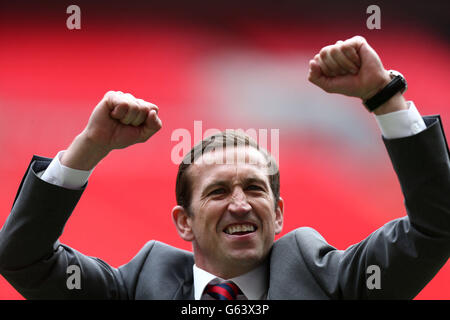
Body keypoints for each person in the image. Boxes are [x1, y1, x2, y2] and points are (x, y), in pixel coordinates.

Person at [0, 36, 448, 300]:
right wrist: (89, 148)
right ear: (184, 222)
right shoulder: (136, 289)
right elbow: (21, 257)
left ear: (278, 214)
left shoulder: (336, 283)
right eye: (217, 192)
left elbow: (437, 227)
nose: (239, 205)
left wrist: (385, 98)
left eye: (255, 189)